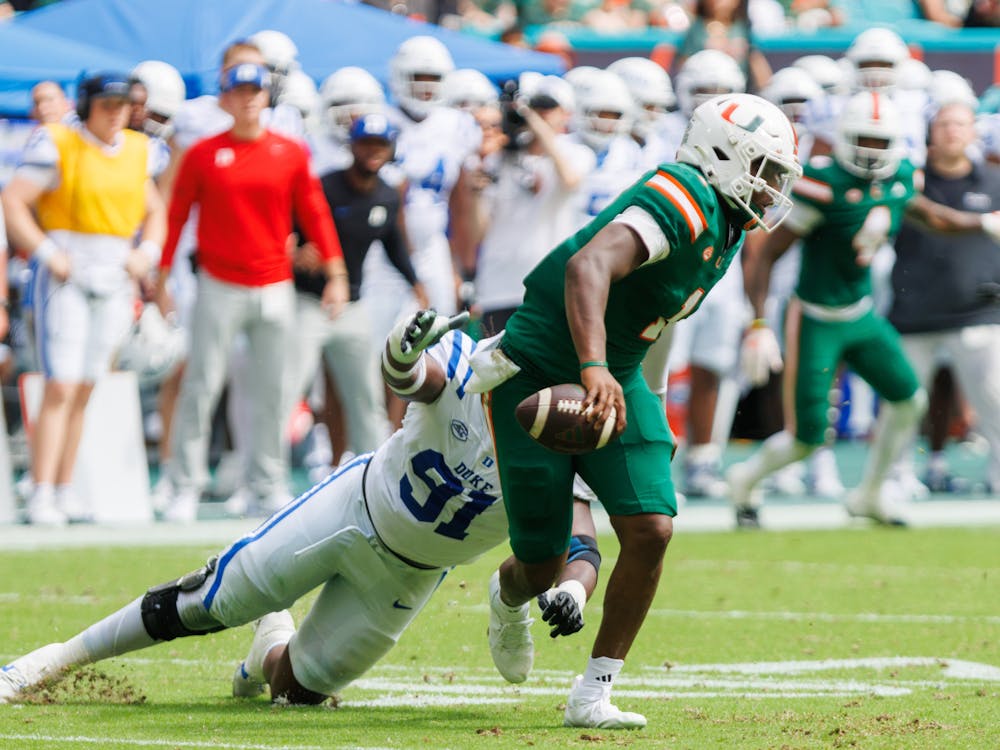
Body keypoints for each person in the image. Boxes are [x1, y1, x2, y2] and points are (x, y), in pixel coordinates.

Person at [0, 309, 599, 705]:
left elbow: (583, 542)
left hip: (410, 575)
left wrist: (574, 589)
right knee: (209, 601)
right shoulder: (474, 366)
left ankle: (270, 641)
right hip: (354, 509)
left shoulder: (566, 437)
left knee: (295, 691)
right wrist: (398, 350)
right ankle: (50, 662)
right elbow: (413, 377)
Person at [469, 93, 802, 728]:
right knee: (539, 564)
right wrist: (591, 367)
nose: (770, 189)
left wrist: (605, 371)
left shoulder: (727, 219)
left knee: (652, 529)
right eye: (763, 169)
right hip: (541, 370)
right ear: (724, 157)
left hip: (615, 375)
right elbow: (587, 266)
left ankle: (592, 693)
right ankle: (506, 595)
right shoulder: (682, 192)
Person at [727, 91, 1000, 528]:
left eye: (880, 142)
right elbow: (763, 253)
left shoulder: (901, 177)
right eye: (864, 140)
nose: (872, 151)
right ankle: (744, 482)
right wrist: (757, 322)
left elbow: (930, 215)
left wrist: (984, 222)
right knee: (806, 439)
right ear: (843, 138)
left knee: (910, 400)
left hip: (860, 313)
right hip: (815, 316)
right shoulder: (822, 184)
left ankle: (870, 494)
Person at [154, 60, 348, 523]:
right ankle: (185, 485)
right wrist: (161, 279)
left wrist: (336, 273)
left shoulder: (290, 151)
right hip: (218, 282)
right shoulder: (203, 154)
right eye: (238, 91)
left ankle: (267, 483)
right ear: (225, 98)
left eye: (255, 91)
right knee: (202, 385)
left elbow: (315, 214)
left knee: (275, 389)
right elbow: (176, 216)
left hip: (273, 284)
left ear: (265, 97)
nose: (247, 99)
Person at [1, 72, 166, 525]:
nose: (116, 113)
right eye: (107, 104)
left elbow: (155, 211)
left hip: (113, 271)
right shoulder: (57, 142)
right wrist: (47, 251)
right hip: (67, 269)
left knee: (88, 384)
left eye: (122, 104)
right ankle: (41, 489)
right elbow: (14, 201)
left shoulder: (137, 149)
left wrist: (146, 253)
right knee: (60, 384)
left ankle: (65, 485)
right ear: (88, 105)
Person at [286, 113, 427, 474]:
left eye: (380, 145)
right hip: (308, 301)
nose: (373, 152)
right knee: (289, 388)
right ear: (352, 146)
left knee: (366, 394)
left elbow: (394, 245)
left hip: (352, 303)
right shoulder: (325, 187)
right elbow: (288, 229)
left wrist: (417, 284)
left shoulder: (386, 194)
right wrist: (296, 251)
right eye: (366, 144)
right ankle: (269, 477)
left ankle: (374, 472)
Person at [888, 101, 1000, 494]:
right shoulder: (909, 182)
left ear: (974, 131)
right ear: (930, 133)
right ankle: (894, 477)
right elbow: (933, 220)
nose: (952, 131)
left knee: (996, 404)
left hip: (979, 311)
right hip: (914, 312)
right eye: (944, 124)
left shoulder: (994, 180)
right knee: (902, 406)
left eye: (960, 124)